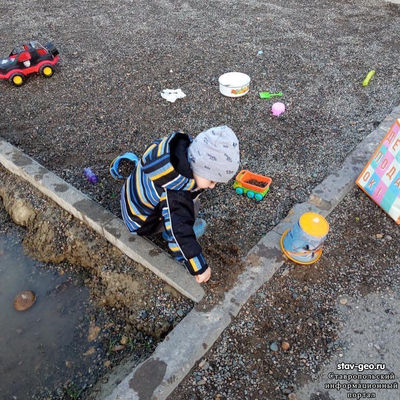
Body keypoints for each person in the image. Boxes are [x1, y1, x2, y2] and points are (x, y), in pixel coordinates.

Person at [111, 126, 240, 283]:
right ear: (198, 166)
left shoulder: (173, 150)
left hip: (132, 195)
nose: (213, 186)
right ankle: (164, 230)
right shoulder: (175, 195)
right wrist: (199, 267)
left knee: (190, 199)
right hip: (141, 222)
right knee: (182, 218)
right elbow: (180, 233)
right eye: (211, 180)